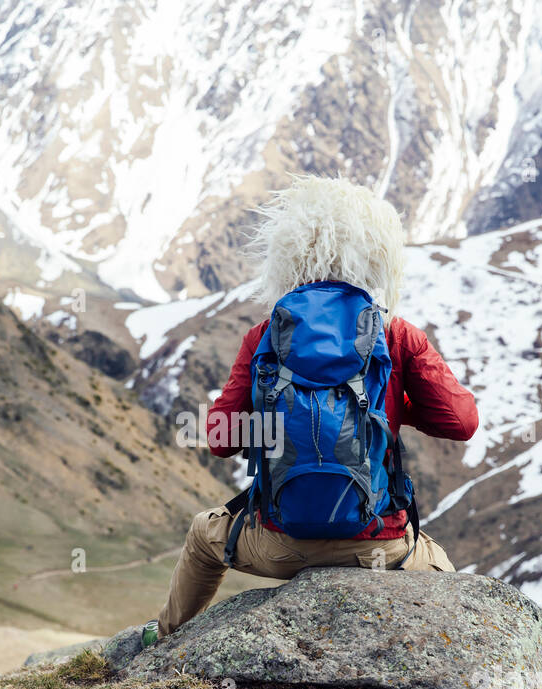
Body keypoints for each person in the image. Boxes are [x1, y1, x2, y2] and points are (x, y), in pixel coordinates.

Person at [154, 176, 478, 639]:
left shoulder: (266, 333)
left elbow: (220, 443)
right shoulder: (395, 333)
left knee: (204, 534)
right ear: (378, 256)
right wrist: (392, 410)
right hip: (379, 549)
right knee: (445, 574)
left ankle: (164, 646)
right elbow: (462, 422)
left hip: (280, 545)